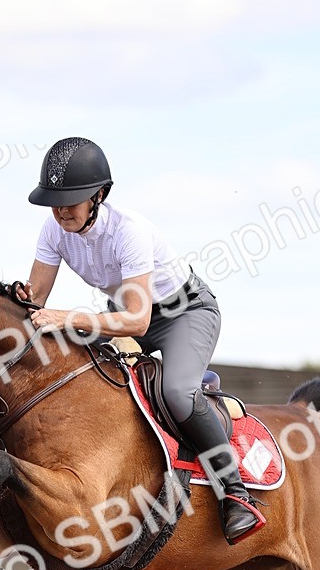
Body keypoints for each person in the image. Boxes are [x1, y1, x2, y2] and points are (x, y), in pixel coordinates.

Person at [17, 136, 266, 546]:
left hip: (183, 313)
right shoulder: (53, 229)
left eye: (70, 201)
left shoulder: (128, 231)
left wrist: (66, 318)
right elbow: (36, 300)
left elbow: (137, 320)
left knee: (177, 392)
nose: (60, 211)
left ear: (98, 196)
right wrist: (19, 299)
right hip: (125, 315)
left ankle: (236, 494)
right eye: (54, 202)